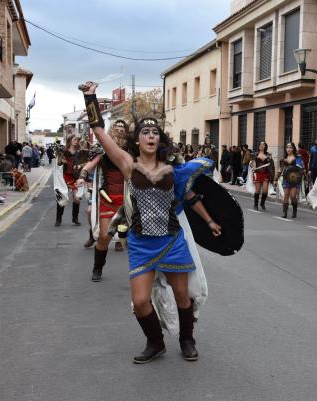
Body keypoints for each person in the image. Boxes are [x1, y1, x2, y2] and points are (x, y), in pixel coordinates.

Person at [79, 81, 223, 364]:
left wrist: (210, 221)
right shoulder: (127, 164)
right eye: (145, 132)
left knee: (183, 296)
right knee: (141, 301)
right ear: (138, 140)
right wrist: (90, 97)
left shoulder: (175, 171)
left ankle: (186, 339)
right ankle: (155, 342)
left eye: (155, 132)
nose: (150, 136)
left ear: (161, 140)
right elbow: (98, 131)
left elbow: (191, 196)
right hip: (141, 243)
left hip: (172, 241)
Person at [76, 120, 128, 281]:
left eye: (122, 131)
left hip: (129, 201)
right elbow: (88, 167)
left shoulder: (132, 153)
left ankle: (144, 275)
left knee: (136, 239)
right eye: (116, 131)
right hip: (108, 199)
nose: (119, 134)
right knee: (105, 237)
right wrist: (82, 178)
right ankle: (97, 268)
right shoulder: (102, 152)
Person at [55, 135, 83, 226]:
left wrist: (80, 166)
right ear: (70, 141)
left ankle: (75, 218)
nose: (76, 141)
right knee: (62, 198)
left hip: (75, 177)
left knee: (77, 198)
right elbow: (58, 163)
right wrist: (62, 161)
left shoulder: (79, 152)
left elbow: (84, 163)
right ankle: (58, 219)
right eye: (74, 139)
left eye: (77, 140)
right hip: (64, 177)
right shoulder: (64, 151)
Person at [275, 142, 304, 218]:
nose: (288, 149)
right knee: (286, 196)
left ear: (293, 148)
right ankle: (285, 213)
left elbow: (301, 168)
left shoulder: (298, 157)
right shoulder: (283, 159)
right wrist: (276, 178)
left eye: (290, 147)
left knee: (293, 196)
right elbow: (280, 169)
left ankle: (294, 210)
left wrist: (301, 172)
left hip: (295, 180)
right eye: (287, 147)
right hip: (286, 179)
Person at [252, 141, 274, 211]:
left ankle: (262, 203)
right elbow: (252, 163)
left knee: (265, 191)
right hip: (257, 174)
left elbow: (271, 165)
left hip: (266, 174)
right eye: (260, 144)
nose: (262, 146)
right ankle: (255, 204)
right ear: (259, 146)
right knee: (257, 190)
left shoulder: (268, 155)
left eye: (263, 145)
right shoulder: (255, 154)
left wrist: (270, 159)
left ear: (265, 147)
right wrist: (252, 166)